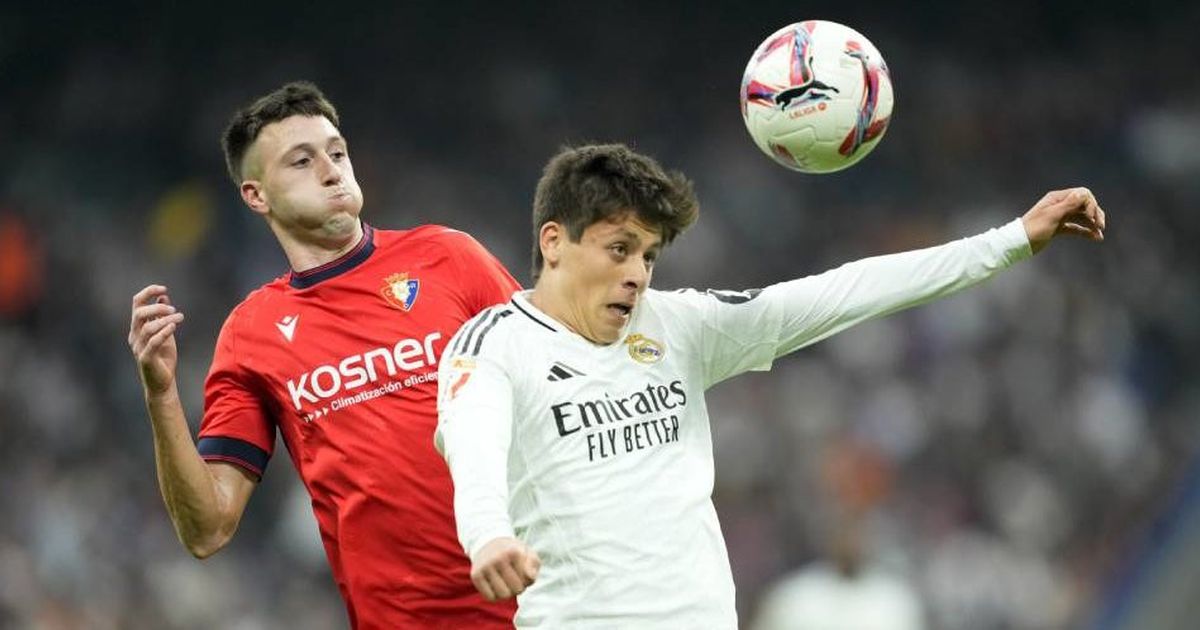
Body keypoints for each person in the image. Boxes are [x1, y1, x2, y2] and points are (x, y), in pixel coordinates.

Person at [434, 143, 1105, 627]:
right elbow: (473, 443)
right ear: (554, 241)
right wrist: (488, 535)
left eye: (649, 255)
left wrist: (1009, 241)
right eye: (619, 249)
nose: (638, 273)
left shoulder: (678, 326)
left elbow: (843, 293)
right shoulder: (495, 345)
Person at [127, 82, 520, 629]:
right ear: (256, 195)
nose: (332, 170)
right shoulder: (251, 334)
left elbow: (559, 388)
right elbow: (207, 529)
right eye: (302, 161)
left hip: (543, 607)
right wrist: (161, 394)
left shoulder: (449, 258)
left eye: (337, 153)